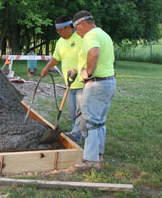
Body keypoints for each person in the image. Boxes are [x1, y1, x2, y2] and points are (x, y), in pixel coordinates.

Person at [70, 10, 116, 171]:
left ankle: (89, 162)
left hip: (95, 84)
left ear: (81, 24)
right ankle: (99, 157)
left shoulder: (90, 36)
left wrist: (87, 73)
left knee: (88, 122)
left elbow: (94, 53)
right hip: (108, 83)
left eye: (76, 29)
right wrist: (79, 68)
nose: (77, 33)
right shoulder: (103, 34)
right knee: (99, 122)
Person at [41, 15, 84, 144]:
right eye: (57, 31)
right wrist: (46, 68)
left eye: (60, 30)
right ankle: (76, 130)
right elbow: (56, 58)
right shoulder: (60, 42)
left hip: (82, 82)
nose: (58, 33)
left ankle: (77, 135)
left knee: (80, 111)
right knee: (72, 111)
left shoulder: (81, 38)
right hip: (69, 83)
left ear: (68, 27)